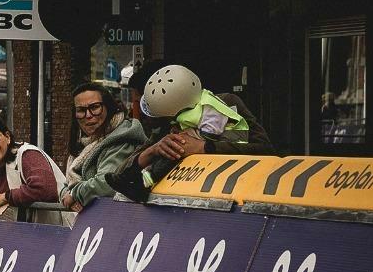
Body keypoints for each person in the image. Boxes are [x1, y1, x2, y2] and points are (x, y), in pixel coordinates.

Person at [108, 64, 272, 202]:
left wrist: (205, 147)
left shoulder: (226, 104)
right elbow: (120, 172)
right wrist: (154, 150)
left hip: (233, 196)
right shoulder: (166, 125)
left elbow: (265, 150)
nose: (140, 112)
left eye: (144, 104)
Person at [60, 82, 146, 212]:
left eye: (95, 107)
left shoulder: (123, 139)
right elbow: (65, 187)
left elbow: (107, 183)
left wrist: (74, 195)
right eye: (81, 110)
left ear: (109, 108)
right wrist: (67, 198)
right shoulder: (82, 145)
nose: (88, 115)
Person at [0, 114, 65, 218]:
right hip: (35, 229)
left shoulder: (28, 154)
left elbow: (45, 189)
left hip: (63, 229)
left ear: (7, 137)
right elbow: (17, 186)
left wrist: (5, 196)